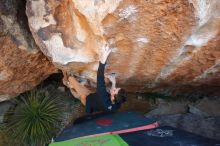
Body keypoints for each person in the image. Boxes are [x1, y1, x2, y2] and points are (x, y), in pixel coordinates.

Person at [63, 44, 127, 113]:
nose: (114, 88)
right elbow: (111, 95)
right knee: (82, 91)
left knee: (71, 79)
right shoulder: (118, 103)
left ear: (113, 97)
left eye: (114, 90)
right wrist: (113, 82)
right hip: (95, 102)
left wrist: (102, 61)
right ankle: (73, 87)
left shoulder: (103, 96)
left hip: (87, 99)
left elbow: (100, 79)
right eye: (116, 88)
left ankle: (67, 81)